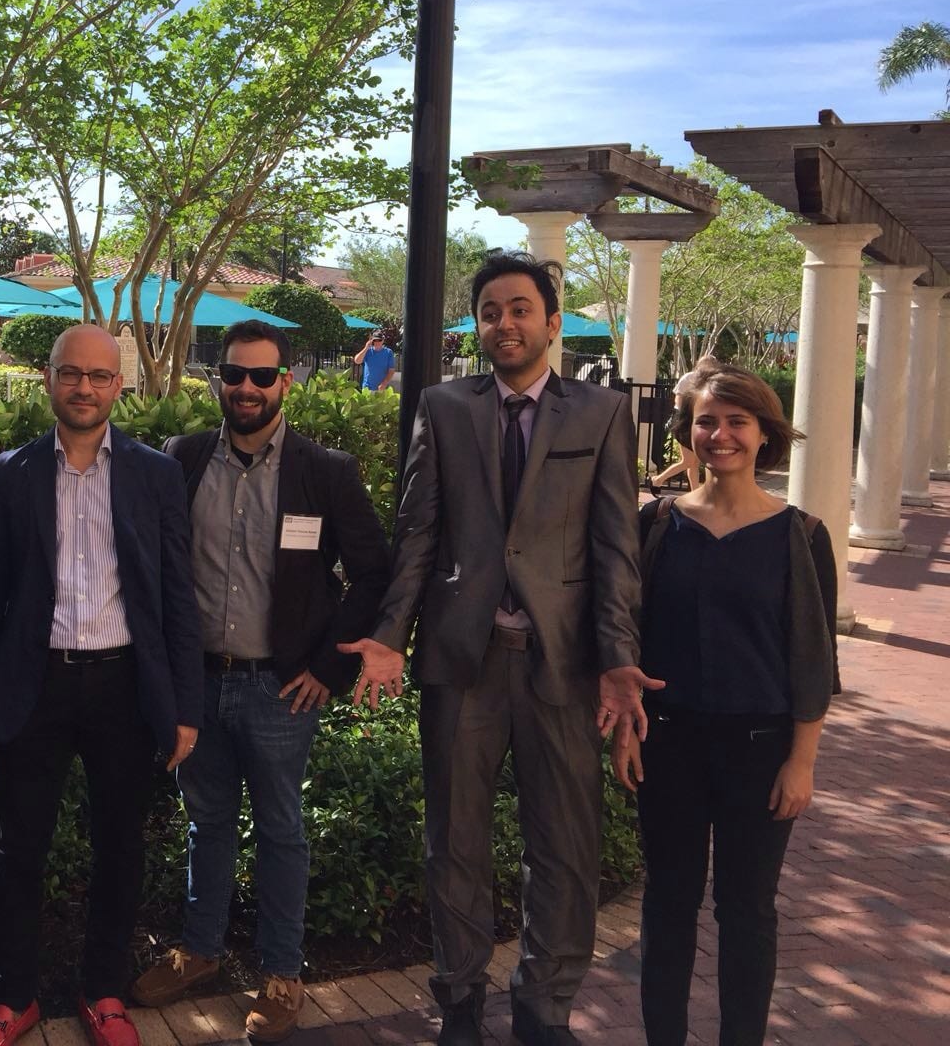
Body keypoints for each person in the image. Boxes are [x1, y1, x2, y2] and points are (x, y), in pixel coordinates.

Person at [336, 251, 657, 1046]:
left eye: (519, 309)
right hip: (461, 662)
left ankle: (545, 1007)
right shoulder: (443, 407)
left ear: (551, 320)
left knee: (567, 847)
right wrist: (388, 637)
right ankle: (460, 1004)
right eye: (489, 311)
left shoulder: (601, 413)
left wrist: (618, 655)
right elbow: (417, 534)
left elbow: (616, 548)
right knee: (456, 845)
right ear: (475, 325)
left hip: (565, 663)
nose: (504, 323)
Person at [134, 321, 390, 1040]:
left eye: (262, 376)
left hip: (281, 688)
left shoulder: (323, 471)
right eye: (235, 375)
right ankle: (201, 951)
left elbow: (375, 572)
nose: (247, 388)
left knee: (281, 830)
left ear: (287, 382)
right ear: (220, 379)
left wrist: (332, 666)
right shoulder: (179, 459)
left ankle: (281, 972)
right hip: (199, 686)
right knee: (205, 823)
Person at [0, 324, 202, 1046]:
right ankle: (12, 999)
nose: (85, 388)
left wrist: (185, 705)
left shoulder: (156, 474)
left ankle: (103, 992)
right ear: (48, 380)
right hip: (34, 687)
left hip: (125, 689)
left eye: (100, 377)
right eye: (73, 374)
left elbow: (177, 596)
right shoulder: (8, 475)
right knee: (18, 849)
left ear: (118, 387)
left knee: (121, 847)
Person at [613, 364, 837, 1045]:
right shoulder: (654, 524)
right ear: (690, 431)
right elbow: (627, 639)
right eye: (708, 421)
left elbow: (815, 661)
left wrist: (802, 761)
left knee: (747, 911)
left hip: (760, 749)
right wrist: (625, 731)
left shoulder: (801, 535)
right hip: (669, 743)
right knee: (669, 904)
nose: (721, 435)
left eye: (738, 421)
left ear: (764, 433)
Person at [646, 360, 721, 494]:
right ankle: (657, 480)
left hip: (696, 422)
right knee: (688, 461)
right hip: (683, 421)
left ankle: (694, 493)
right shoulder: (689, 378)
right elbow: (678, 401)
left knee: (694, 463)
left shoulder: (709, 382)